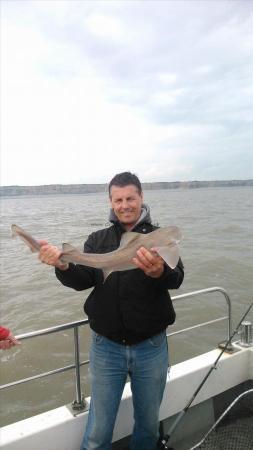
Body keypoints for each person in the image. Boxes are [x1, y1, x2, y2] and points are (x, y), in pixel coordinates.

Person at [39, 171, 184, 450]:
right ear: (111, 202)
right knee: (98, 429)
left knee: (148, 425)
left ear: (141, 197)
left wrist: (159, 273)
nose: (125, 205)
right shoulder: (98, 239)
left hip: (151, 347)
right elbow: (82, 280)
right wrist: (63, 264)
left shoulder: (158, 236)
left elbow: (176, 277)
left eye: (130, 198)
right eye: (118, 199)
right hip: (106, 348)